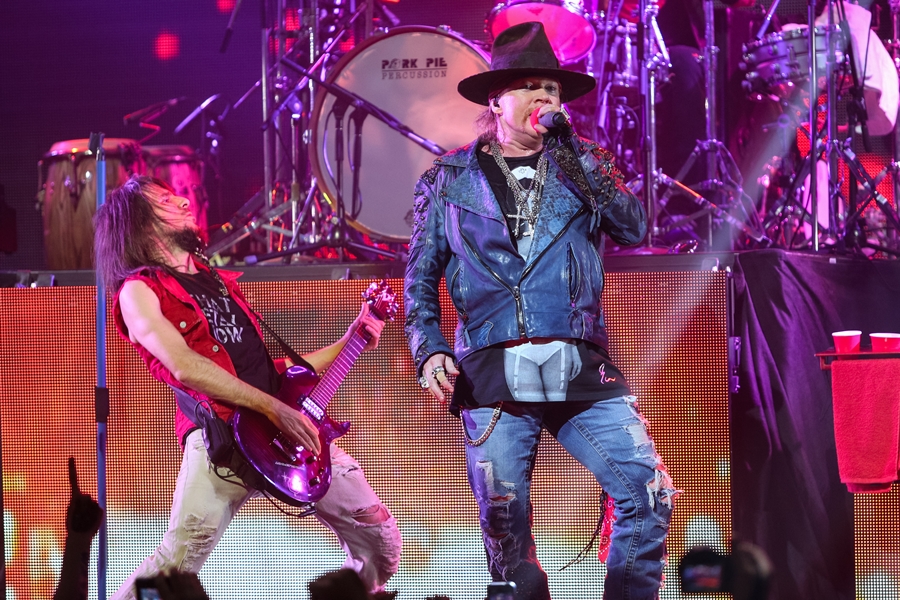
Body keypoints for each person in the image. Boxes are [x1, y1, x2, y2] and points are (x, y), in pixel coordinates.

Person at [404, 22, 677, 600]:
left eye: (552, 90)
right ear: (496, 101)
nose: (545, 99)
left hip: (576, 360)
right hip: (493, 367)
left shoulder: (583, 167)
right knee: (505, 520)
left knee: (647, 490)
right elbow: (420, 278)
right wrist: (428, 350)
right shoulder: (447, 180)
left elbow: (632, 227)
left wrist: (578, 155)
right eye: (530, 87)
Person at [94, 175, 401, 600]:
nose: (184, 201)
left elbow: (271, 374)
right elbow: (185, 367)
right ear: (140, 223)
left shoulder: (217, 281)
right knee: (174, 566)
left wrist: (350, 340)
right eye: (166, 200)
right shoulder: (138, 292)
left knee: (380, 542)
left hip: (289, 430)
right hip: (225, 437)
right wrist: (275, 410)